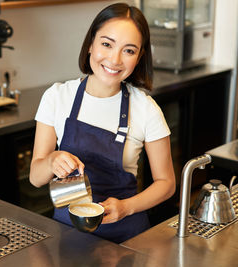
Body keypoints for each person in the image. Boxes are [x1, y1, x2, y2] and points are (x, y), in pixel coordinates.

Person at [29, 3, 175, 243]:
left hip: (126, 237)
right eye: (107, 44)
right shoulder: (57, 97)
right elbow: (35, 177)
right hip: (66, 234)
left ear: (139, 57)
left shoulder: (146, 109)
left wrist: (126, 207)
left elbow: (166, 183)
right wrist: (51, 160)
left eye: (129, 50)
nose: (114, 59)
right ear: (90, 45)